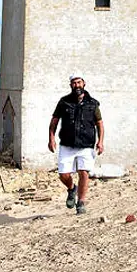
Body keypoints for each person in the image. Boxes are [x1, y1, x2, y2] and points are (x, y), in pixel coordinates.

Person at [48, 76, 103, 215]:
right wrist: (51, 139)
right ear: (70, 85)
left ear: (84, 83)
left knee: (84, 173)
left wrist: (100, 141)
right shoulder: (64, 102)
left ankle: (81, 202)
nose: (76, 85)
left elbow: (100, 124)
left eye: (79, 82)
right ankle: (72, 188)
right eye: (74, 83)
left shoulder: (93, 103)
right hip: (67, 144)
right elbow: (54, 121)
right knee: (63, 174)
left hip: (86, 144)